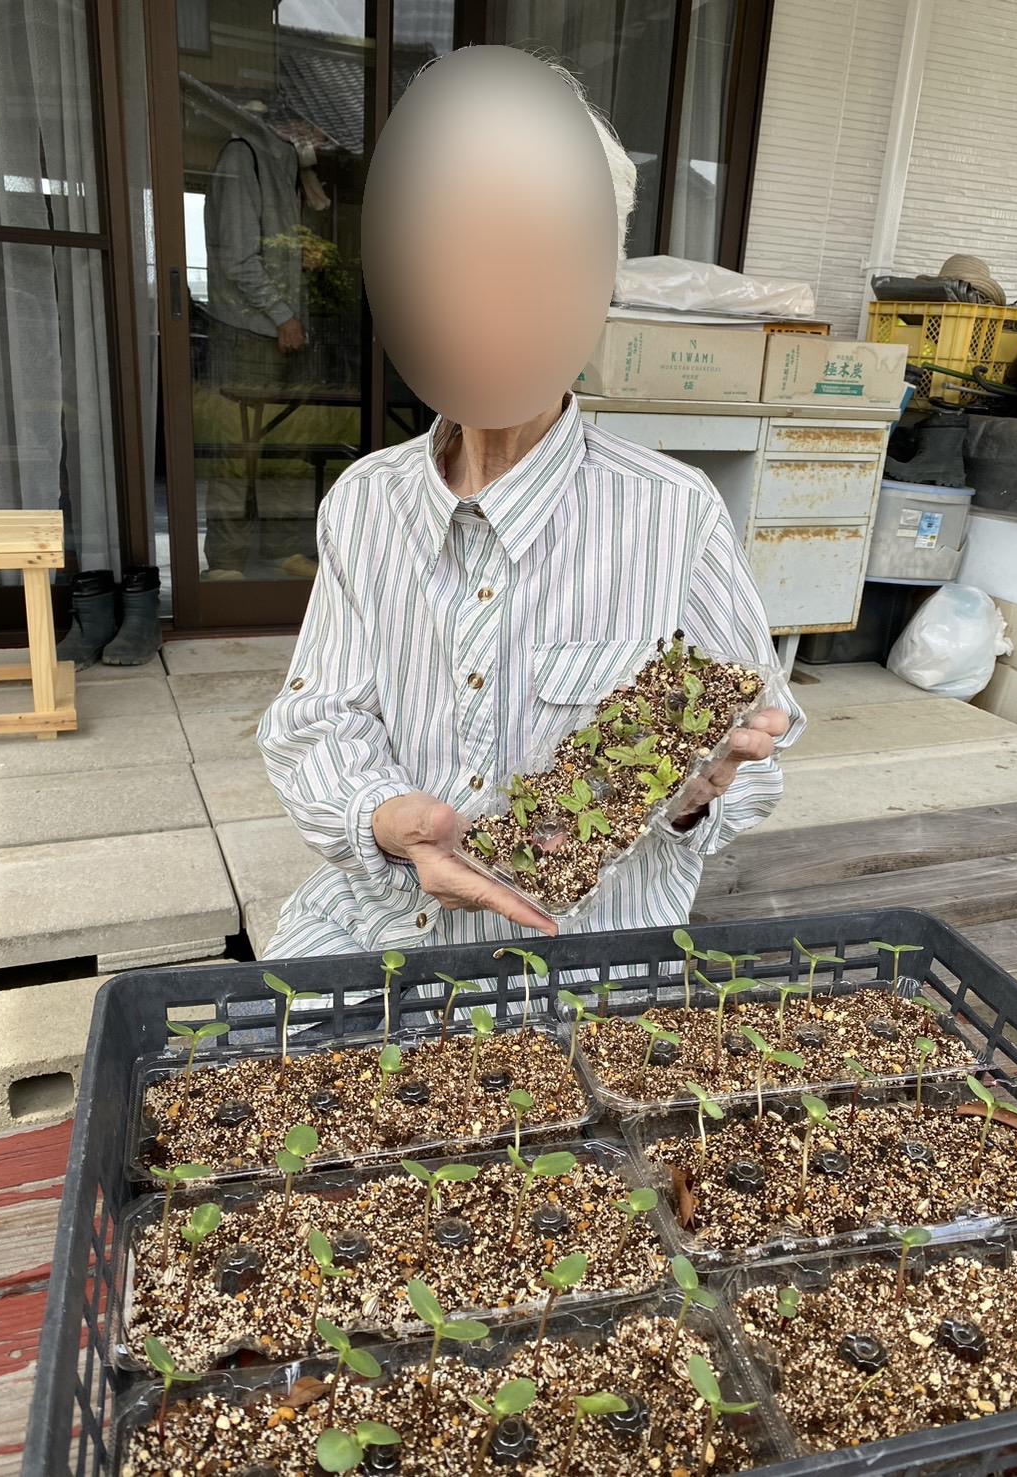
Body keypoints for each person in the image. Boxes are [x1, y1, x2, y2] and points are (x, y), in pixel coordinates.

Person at [257, 54, 804, 962]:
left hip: (585, 951)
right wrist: (388, 821)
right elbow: (318, 721)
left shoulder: (672, 516)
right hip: (378, 923)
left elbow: (752, 744)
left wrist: (694, 792)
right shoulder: (365, 505)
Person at [202, 108, 319, 581]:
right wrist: (283, 315)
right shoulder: (244, 155)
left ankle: (281, 549)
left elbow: (275, 255)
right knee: (237, 452)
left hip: (285, 333)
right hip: (247, 333)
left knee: (287, 451)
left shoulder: (289, 167)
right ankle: (226, 561)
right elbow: (237, 258)